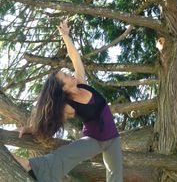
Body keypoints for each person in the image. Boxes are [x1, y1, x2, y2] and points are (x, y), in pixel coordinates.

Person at [13, 20, 123, 182]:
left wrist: (65, 36)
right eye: (65, 76)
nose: (69, 74)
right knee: (66, 154)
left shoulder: (81, 82)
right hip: (94, 140)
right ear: (63, 88)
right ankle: (30, 165)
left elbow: (74, 57)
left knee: (116, 178)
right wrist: (30, 129)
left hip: (113, 138)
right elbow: (50, 123)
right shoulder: (68, 107)